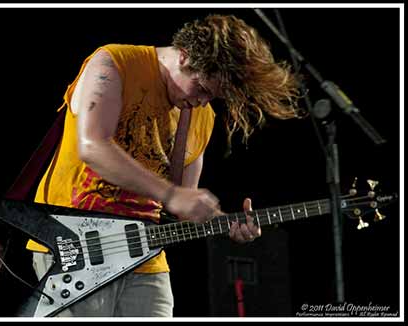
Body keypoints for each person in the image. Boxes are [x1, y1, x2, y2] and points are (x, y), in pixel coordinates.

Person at [28, 14, 301, 317]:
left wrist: (225, 224)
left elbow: (183, 201)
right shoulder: (114, 63)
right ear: (184, 55)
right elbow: (93, 146)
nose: (202, 101)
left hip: (145, 258)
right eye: (201, 88)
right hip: (77, 243)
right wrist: (172, 195)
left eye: (212, 95)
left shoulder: (202, 116)